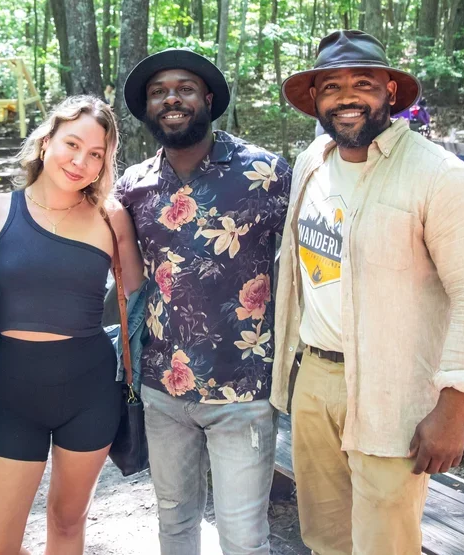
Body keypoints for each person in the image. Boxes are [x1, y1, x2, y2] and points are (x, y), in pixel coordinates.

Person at [273, 30, 464, 554]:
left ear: (391, 94)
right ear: (315, 100)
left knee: (384, 544)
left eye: (364, 83)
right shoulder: (311, 163)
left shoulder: (440, 176)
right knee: (324, 538)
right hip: (314, 379)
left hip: (392, 390)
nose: (347, 97)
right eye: (331, 86)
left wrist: (452, 411)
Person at [116, 48, 291, 554]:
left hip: (243, 388)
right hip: (162, 388)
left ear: (208, 100)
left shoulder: (266, 173)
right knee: (174, 528)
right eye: (157, 92)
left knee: (243, 538)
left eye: (185, 88)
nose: (171, 98)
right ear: (148, 109)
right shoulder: (135, 184)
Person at [0, 95, 143, 555]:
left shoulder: (112, 217)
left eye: (96, 155)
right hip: (15, 395)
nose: (80, 161)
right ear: (46, 142)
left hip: (89, 391)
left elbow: (143, 300)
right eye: (72, 144)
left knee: (67, 524)